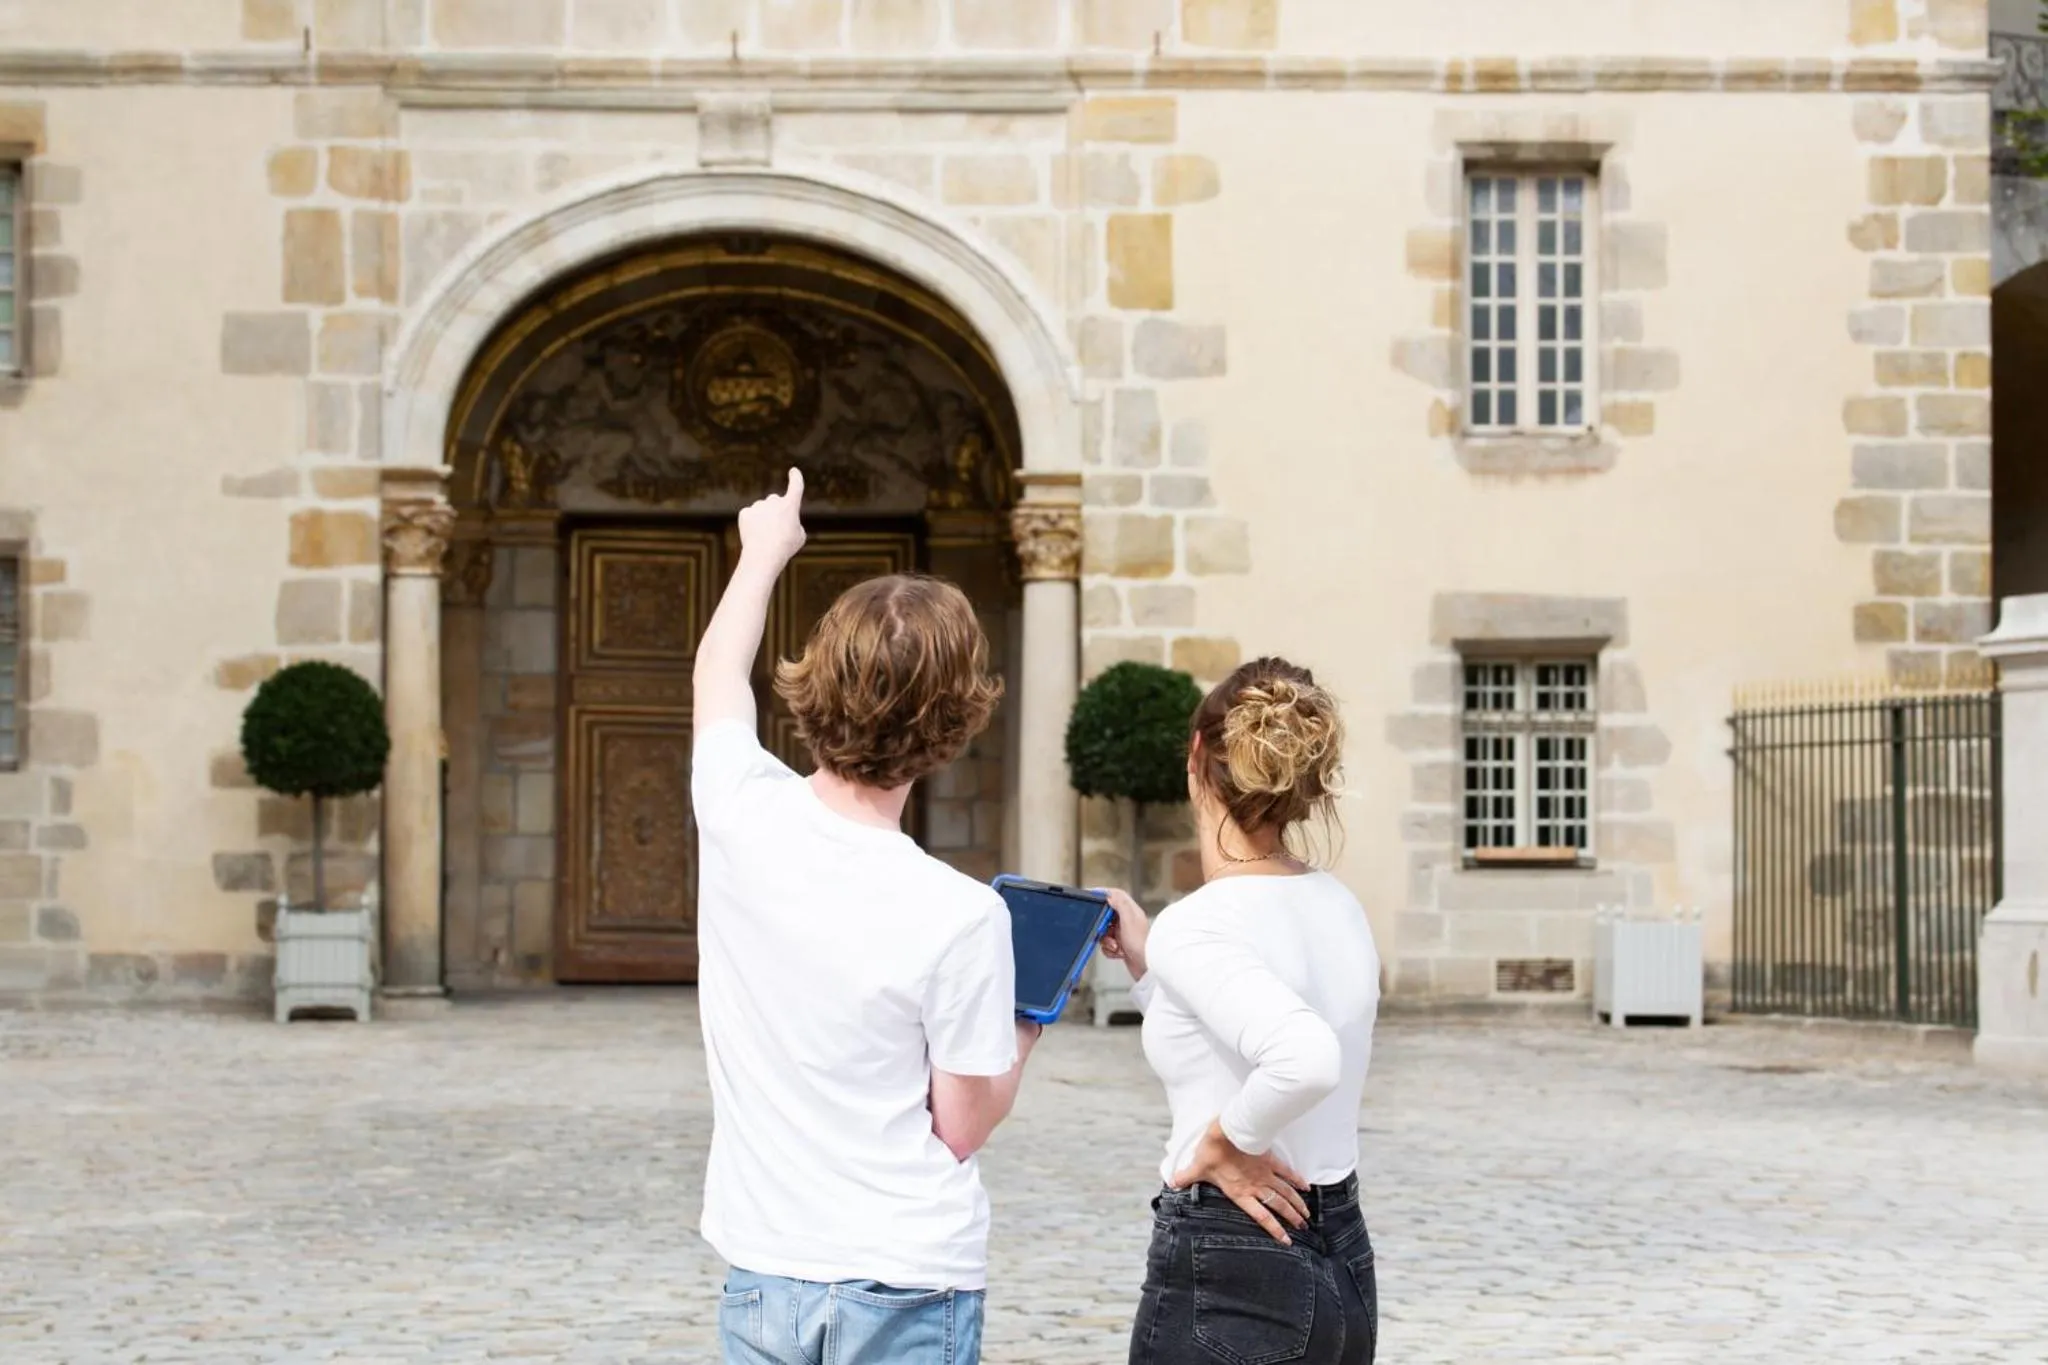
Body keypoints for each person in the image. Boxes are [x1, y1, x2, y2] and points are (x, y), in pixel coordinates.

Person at [690, 469, 1040, 1365]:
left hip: (765, 1271)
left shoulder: (736, 810)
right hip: (908, 1274)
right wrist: (1029, 1018)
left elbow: (719, 669)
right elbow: (960, 1124)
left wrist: (763, 551)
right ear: (957, 724)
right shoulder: (962, 917)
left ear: (815, 684)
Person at [1102, 657, 1383, 1365]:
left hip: (1234, 1260)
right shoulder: (1338, 904)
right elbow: (1225, 1033)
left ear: (1197, 755)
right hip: (1342, 1250)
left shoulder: (1198, 925)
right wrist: (1147, 961)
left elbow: (1304, 1056)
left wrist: (1228, 1142)